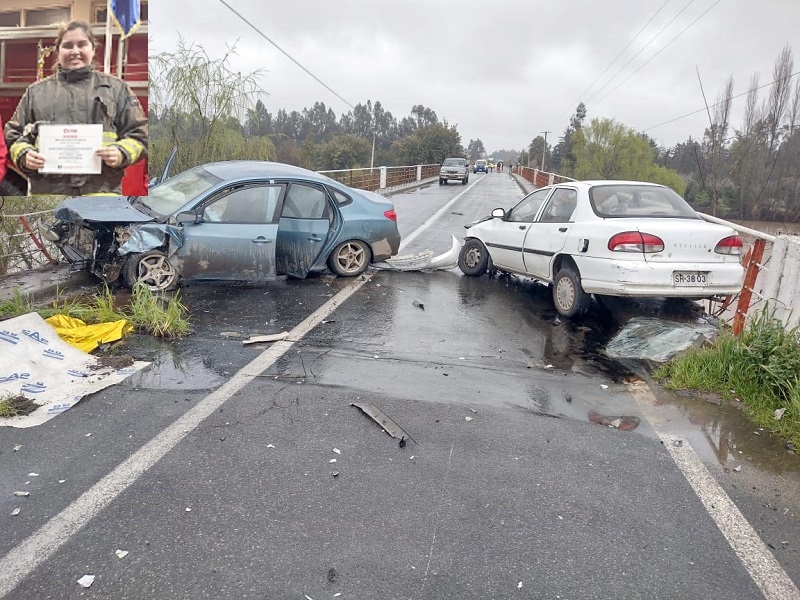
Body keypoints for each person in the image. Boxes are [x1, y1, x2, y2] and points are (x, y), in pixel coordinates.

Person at [4, 20, 147, 196]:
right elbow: (12, 133)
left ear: (93, 49)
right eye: (67, 46)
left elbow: (140, 133)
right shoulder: (36, 92)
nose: (75, 51)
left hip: (101, 193)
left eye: (82, 44)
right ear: (58, 51)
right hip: (49, 194)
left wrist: (121, 152)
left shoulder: (117, 89)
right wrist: (24, 154)